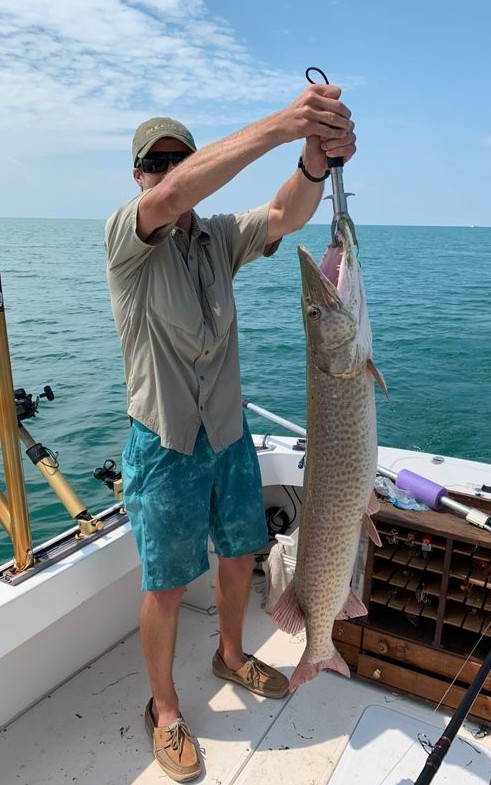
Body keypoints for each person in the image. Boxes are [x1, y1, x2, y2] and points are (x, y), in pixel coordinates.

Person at [105, 82, 356, 782]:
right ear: (139, 175)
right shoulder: (130, 235)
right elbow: (166, 199)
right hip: (164, 442)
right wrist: (282, 125)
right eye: (155, 163)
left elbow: (283, 213)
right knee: (162, 583)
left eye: (176, 158)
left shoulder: (216, 237)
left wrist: (311, 161)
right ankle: (164, 707)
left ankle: (233, 653)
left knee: (241, 552)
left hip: (227, 431)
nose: (166, 171)